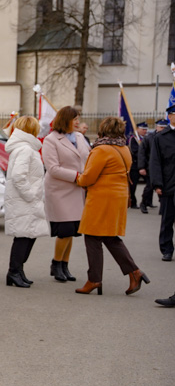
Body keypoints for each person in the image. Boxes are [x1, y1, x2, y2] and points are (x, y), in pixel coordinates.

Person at [74, 117, 149, 295]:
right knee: (109, 236)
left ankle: (94, 280)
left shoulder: (101, 150)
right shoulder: (124, 148)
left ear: (103, 130)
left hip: (102, 198)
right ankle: (134, 272)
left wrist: (77, 178)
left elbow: (88, 177)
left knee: (92, 236)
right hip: (119, 197)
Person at [41, 106, 91, 283]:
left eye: (78, 118)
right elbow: (53, 168)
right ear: (66, 120)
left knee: (73, 231)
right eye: (75, 119)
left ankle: (65, 265)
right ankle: (56, 264)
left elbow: (87, 157)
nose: (78, 122)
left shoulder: (79, 137)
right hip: (60, 190)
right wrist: (78, 176)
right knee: (64, 230)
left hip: (78, 189)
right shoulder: (51, 140)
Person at [3, 116, 47, 288]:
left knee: (28, 236)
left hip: (27, 200)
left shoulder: (26, 147)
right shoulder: (25, 149)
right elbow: (18, 177)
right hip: (25, 200)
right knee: (23, 237)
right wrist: (31, 195)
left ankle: (17, 271)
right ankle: (14, 272)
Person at [149, 105, 175, 262]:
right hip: (168, 185)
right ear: (170, 116)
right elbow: (155, 162)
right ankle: (167, 249)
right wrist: (157, 184)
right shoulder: (160, 137)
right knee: (167, 219)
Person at [138, 121, 160, 213]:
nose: (163, 129)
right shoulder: (149, 138)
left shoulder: (169, 137)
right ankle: (143, 203)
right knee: (150, 186)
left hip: (164, 168)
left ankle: (163, 207)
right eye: (161, 127)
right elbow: (142, 153)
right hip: (150, 166)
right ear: (157, 127)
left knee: (164, 188)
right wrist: (142, 167)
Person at [127, 122, 147, 208]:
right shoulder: (133, 139)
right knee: (133, 185)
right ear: (137, 129)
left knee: (150, 184)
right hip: (135, 165)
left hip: (145, 165)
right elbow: (134, 151)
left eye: (146, 129)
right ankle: (133, 201)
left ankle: (146, 202)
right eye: (143, 129)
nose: (145, 131)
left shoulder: (146, 139)